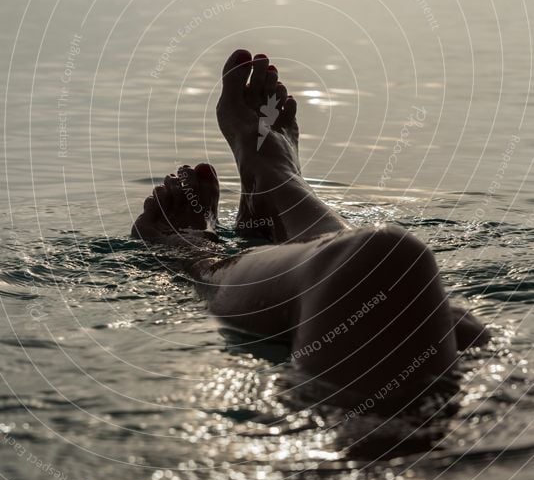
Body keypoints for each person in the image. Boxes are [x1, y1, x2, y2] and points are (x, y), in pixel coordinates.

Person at [132, 49, 489, 413]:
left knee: (380, 263)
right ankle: (275, 187)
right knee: (433, 311)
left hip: (372, 430)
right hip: (456, 414)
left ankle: (193, 254)